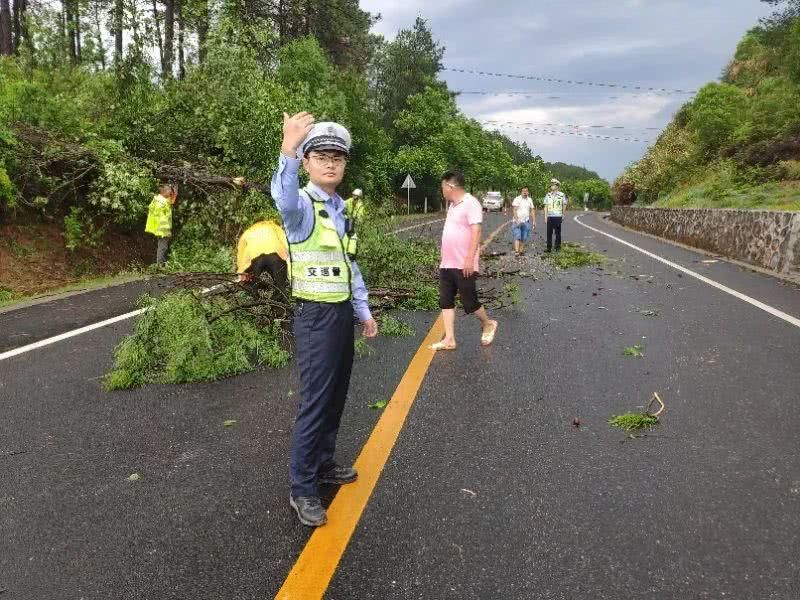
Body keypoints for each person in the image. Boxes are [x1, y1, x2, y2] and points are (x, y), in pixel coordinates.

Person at [270, 112, 378, 528]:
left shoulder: (341, 208)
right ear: (308, 161)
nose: (330, 163)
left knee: (336, 395)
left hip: (339, 314)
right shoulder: (300, 207)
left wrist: (363, 310)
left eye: (338, 156)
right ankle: (302, 489)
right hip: (314, 316)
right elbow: (281, 195)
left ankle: (326, 462)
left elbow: (350, 263)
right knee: (315, 401)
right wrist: (288, 149)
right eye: (321, 156)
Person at [429, 170, 498, 351]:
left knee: (469, 301)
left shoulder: (471, 203)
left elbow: (477, 231)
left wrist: (469, 258)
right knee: (445, 300)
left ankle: (488, 323)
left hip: (463, 263)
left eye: (443, 187)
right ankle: (449, 339)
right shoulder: (452, 205)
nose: (441, 190)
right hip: (447, 263)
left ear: (450, 186)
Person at [236, 220, 289, 296]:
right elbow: (285, 243)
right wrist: (287, 261)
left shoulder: (249, 231)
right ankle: (280, 301)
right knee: (280, 286)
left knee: (253, 285)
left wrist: (241, 272)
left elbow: (241, 252)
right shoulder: (274, 227)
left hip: (255, 258)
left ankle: (253, 300)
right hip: (275, 256)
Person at [145, 183, 178, 266]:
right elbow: (163, 220)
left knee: (163, 247)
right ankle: (160, 265)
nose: (170, 193)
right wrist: (167, 231)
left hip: (160, 229)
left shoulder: (160, 200)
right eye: (169, 191)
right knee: (162, 248)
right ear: (165, 192)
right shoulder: (161, 204)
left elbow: (170, 202)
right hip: (162, 230)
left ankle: (161, 265)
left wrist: (175, 194)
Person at [510, 186, 536, 256]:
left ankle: (521, 251)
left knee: (524, 237)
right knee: (517, 236)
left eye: (526, 191)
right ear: (521, 192)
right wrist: (517, 220)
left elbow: (532, 210)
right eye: (523, 191)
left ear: (528, 192)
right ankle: (516, 251)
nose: (525, 192)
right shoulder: (517, 199)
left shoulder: (530, 200)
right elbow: (514, 210)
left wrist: (534, 221)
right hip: (517, 221)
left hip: (526, 221)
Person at [543, 178, 567, 252]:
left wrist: (563, 215)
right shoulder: (548, 195)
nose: (551, 186)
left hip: (558, 216)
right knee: (549, 233)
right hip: (550, 216)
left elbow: (564, 205)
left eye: (553, 184)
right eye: (551, 184)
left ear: (557, 186)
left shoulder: (561, 195)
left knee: (557, 233)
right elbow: (545, 206)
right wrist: (545, 217)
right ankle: (549, 247)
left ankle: (557, 247)